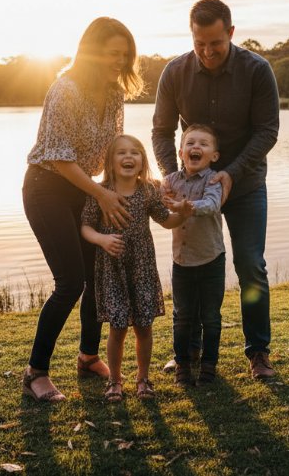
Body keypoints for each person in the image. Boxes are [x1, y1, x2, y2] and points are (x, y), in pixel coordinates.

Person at [152, 0, 281, 379]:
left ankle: (258, 352)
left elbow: (267, 131)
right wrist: (172, 176)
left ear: (231, 32)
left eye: (216, 44)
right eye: (199, 44)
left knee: (250, 265)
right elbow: (161, 130)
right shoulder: (175, 72)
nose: (207, 52)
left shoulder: (257, 70)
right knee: (190, 264)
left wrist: (231, 173)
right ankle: (188, 352)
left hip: (245, 184)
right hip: (191, 190)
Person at [21, 17, 144, 402]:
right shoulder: (65, 90)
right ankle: (35, 372)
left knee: (98, 276)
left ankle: (89, 357)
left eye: (125, 56)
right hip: (46, 188)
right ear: (91, 53)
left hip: (85, 190)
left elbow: (113, 151)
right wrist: (102, 196)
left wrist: (133, 186)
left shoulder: (114, 94)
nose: (119, 62)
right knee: (70, 282)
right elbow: (60, 159)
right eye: (113, 54)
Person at [81, 135, 192, 402]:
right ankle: (115, 381)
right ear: (110, 161)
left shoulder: (148, 191)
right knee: (117, 327)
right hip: (113, 269)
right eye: (121, 153)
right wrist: (102, 240)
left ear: (143, 160)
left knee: (144, 326)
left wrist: (184, 213)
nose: (128, 157)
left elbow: (166, 220)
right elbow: (85, 227)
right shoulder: (100, 192)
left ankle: (143, 379)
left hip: (142, 267)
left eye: (135, 152)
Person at [162, 124, 225, 386]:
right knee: (182, 316)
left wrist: (185, 207)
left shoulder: (214, 180)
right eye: (190, 143)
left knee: (210, 317)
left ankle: (209, 366)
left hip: (211, 259)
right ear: (181, 152)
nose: (195, 147)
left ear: (214, 155)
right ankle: (183, 365)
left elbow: (211, 204)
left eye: (203, 144)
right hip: (182, 261)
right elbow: (159, 201)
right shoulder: (171, 181)